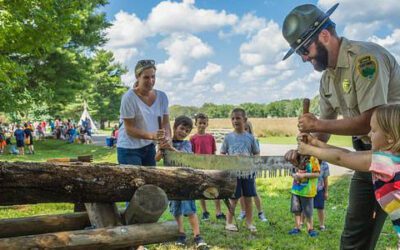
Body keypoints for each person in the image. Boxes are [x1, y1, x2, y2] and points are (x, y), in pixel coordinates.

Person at [282, 3, 400, 249]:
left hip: (391, 153)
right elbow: (324, 131)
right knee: (353, 235)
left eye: (304, 49)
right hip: (370, 157)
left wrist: (316, 124)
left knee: (358, 236)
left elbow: (369, 122)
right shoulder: (327, 79)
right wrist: (305, 152)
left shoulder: (365, 60)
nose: (304, 58)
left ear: (324, 36)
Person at [298, 104, 400, 249]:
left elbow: (341, 158)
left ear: (390, 137)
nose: (369, 134)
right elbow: (348, 154)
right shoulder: (392, 160)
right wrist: (315, 143)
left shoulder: (385, 163)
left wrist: (308, 149)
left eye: (374, 130)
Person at [156, 115, 207, 249]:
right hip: (171, 181)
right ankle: (181, 234)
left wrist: (170, 148)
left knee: (190, 209)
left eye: (187, 131)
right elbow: (156, 159)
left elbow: (185, 158)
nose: (183, 132)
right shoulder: (166, 142)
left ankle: (197, 236)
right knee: (176, 210)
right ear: (174, 127)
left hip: (186, 182)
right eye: (182, 128)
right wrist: (162, 149)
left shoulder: (186, 144)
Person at [117, 59, 171, 167]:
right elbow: (130, 130)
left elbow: (165, 123)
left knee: (150, 181)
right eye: (146, 77)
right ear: (138, 77)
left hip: (148, 147)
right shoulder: (129, 98)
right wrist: (152, 135)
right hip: (129, 149)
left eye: (153, 77)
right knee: (135, 182)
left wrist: (168, 138)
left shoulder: (162, 97)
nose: (151, 81)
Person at [221, 108, 259, 232]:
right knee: (233, 199)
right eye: (233, 118)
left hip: (248, 173)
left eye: (238, 118)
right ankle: (229, 222)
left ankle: (249, 223)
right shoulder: (228, 137)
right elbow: (222, 154)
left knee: (248, 198)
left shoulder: (250, 138)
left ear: (245, 120)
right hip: (233, 174)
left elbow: (256, 154)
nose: (235, 120)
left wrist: (252, 163)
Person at [190, 113, 226, 221]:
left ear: (207, 124)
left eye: (204, 123)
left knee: (215, 189)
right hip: (199, 168)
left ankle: (218, 212)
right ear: (195, 123)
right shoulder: (193, 138)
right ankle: (205, 212)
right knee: (201, 189)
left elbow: (214, 152)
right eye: (199, 123)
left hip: (211, 167)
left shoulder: (210, 137)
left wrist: (215, 166)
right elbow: (191, 155)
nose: (202, 125)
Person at [237, 121, 268, 223]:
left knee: (253, 191)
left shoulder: (254, 140)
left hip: (250, 170)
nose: (244, 131)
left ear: (250, 129)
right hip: (239, 170)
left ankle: (260, 212)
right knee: (241, 193)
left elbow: (257, 155)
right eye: (243, 129)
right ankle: (243, 211)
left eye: (246, 129)